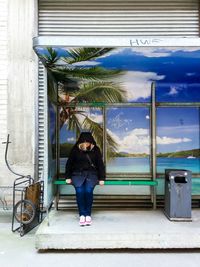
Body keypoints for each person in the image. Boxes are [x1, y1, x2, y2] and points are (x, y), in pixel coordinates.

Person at [65, 132, 105, 226]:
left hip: (91, 175)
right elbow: (69, 163)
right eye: (84, 141)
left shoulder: (95, 150)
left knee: (88, 191)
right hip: (77, 174)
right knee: (79, 192)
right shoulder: (75, 150)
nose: (86, 143)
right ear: (80, 141)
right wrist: (67, 177)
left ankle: (88, 214)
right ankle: (82, 215)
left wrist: (102, 178)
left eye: (88, 142)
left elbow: (100, 164)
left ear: (91, 141)